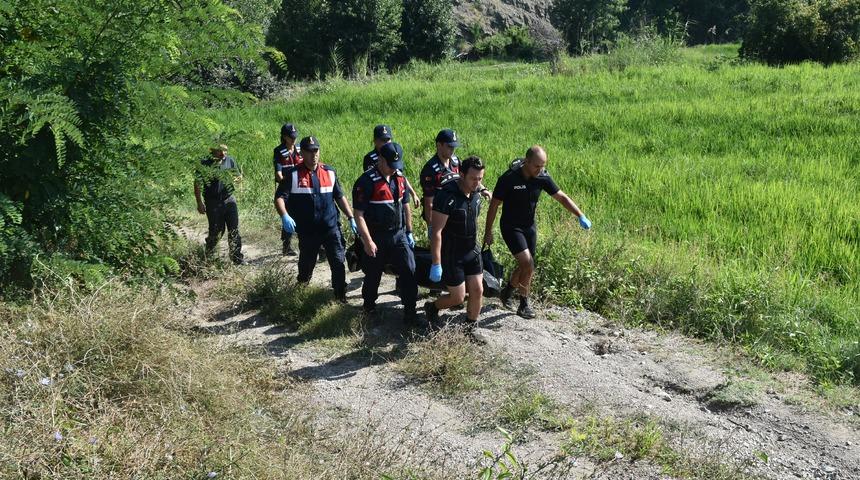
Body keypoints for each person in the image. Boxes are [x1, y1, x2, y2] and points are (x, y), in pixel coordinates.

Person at [483, 145, 592, 319]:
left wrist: (580, 215)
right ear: (526, 162)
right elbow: (494, 205)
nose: (540, 170)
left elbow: (561, 197)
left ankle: (508, 291)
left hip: (529, 227)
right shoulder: (508, 178)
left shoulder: (542, 177)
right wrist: (488, 232)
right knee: (528, 264)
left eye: (543, 166)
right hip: (511, 227)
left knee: (527, 265)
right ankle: (524, 304)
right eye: (537, 166)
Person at [274, 136, 358, 302]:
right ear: (302, 153)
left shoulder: (329, 172)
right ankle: (300, 293)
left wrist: (350, 217)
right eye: (309, 151)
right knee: (306, 264)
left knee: (338, 262)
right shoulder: (293, 174)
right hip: (308, 230)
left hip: (330, 227)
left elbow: (339, 197)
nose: (314, 155)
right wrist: (284, 215)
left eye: (316, 151)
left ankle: (340, 296)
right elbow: (279, 198)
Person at [352, 142, 419, 325]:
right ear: (381, 160)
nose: (393, 169)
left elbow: (406, 206)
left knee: (409, 269)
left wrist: (409, 232)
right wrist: (367, 241)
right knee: (373, 274)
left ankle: (410, 312)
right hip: (376, 236)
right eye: (390, 165)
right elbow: (359, 215)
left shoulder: (399, 178)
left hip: (398, 234)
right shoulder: (366, 182)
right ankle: (368, 307)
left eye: (396, 166)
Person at [426, 156, 488, 343]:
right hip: (453, 254)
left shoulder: (477, 192)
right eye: (473, 178)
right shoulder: (447, 196)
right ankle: (433, 307)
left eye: (480, 178)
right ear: (461, 174)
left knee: (478, 290)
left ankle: (470, 328)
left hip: (472, 251)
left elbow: (480, 190)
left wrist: (483, 189)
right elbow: (436, 232)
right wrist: (436, 263)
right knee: (458, 297)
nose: (477, 183)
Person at [194, 144, 244, 265]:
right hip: (213, 202)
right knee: (217, 231)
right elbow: (197, 184)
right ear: (212, 151)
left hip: (229, 199)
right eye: (220, 152)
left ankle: (237, 258)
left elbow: (237, 176)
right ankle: (208, 257)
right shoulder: (204, 163)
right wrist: (199, 202)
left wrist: (238, 178)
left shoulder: (230, 160)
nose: (223, 154)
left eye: (225, 151)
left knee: (234, 229)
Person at [363, 124, 420, 207]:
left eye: (388, 139)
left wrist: (413, 193)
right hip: (381, 197)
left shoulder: (394, 155)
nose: (386, 143)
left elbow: (401, 177)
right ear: (375, 141)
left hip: (397, 193)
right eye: (383, 140)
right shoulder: (370, 158)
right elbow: (372, 180)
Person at [273, 123, 301, 256]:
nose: (293, 139)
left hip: (302, 186)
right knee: (288, 215)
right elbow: (278, 173)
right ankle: (286, 246)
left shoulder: (301, 149)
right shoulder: (279, 151)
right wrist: (284, 180)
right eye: (291, 137)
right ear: (284, 137)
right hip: (286, 187)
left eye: (295, 136)